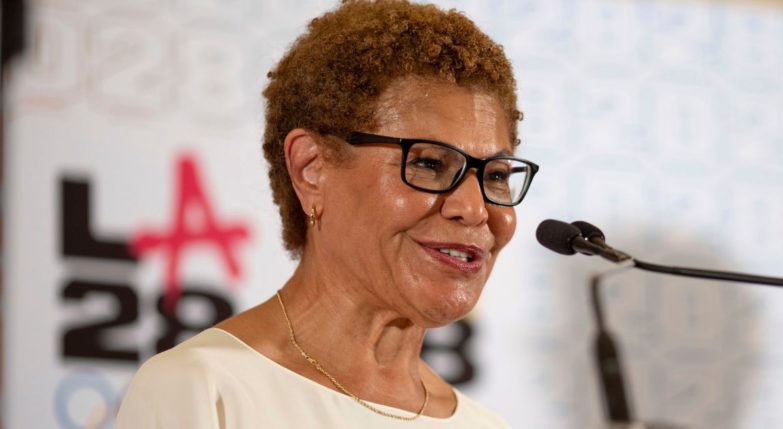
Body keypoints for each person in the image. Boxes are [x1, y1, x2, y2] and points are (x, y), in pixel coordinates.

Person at [116, 0, 538, 427]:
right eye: (429, 164)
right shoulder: (203, 389)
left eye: (497, 175)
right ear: (311, 169)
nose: (473, 209)